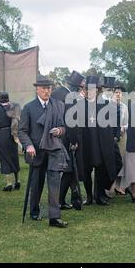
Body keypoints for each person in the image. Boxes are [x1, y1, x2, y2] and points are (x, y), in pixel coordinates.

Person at [18, 75, 69, 228]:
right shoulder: (29, 107)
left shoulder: (58, 105)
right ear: (37, 89)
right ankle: (34, 210)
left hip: (53, 150)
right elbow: (22, 131)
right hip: (36, 151)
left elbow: (64, 127)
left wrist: (59, 131)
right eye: (44, 88)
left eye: (49, 88)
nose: (47, 91)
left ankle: (54, 217)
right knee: (37, 183)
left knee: (54, 184)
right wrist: (28, 146)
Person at [74, 76, 119, 206]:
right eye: (88, 89)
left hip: (100, 143)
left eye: (93, 89)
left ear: (97, 90)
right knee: (87, 170)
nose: (90, 92)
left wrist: (111, 139)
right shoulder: (80, 105)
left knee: (100, 170)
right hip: (86, 142)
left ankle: (99, 196)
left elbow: (111, 124)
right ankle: (88, 197)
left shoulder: (105, 105)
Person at [51, 70, 85, 210]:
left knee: (65, 170)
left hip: (56, 134)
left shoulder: (56, 93)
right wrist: (73, 140)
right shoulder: (70, 96)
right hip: (66, 137)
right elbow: (71, 121)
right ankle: (60, 200)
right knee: (68, 170)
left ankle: (65, 198)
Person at [0, 91, 21, 191]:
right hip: (13, 134)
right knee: (14, 157)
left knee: (4, 158)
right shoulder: (14, 106)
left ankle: (9, 183)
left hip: (2, 134)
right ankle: (18, 181)